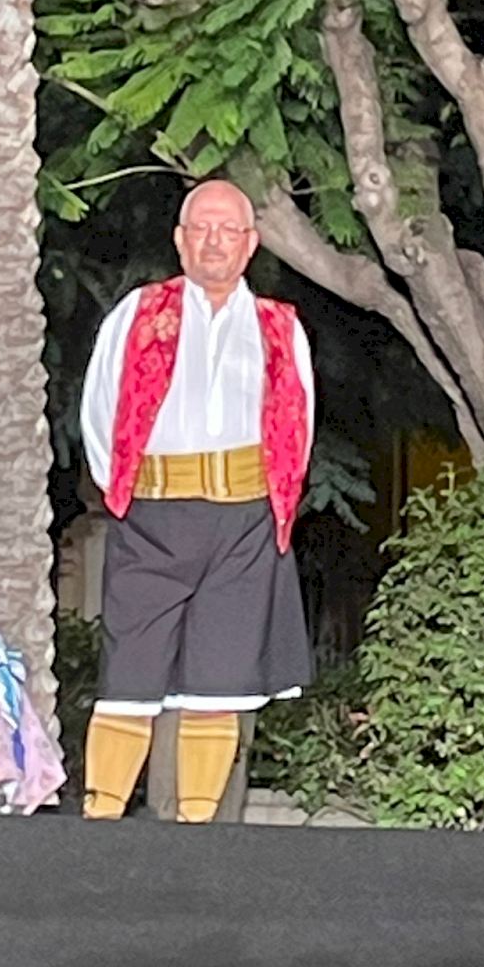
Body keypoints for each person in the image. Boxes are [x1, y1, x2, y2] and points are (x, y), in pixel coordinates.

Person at [79, 179, 315, 821]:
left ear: (250, 244)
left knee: (221, 682)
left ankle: (198, 830)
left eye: (228, 230)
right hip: (152, 519)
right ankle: (99, 824)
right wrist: (129, 496)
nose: (214, 242)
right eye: (202, 229)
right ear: (181, 240)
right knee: (129, 679)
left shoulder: (279, 326)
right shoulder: (137, 314)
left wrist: (271, 509)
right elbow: (99, 411)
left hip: (243, 525)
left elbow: (297, 425)